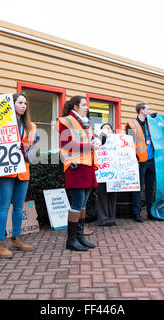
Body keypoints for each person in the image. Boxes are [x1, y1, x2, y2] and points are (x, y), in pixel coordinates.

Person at [0, 93, 39, 258]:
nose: (24, 106)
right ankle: (1, 244)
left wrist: (32, 150)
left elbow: (33, 151)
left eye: (25, 103)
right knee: (4, 206)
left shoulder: (31, 126)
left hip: (24, 170)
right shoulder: (1, 124)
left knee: (19, 207)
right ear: (11, 104)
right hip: (6, 170)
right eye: (20, 102)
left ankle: (16, 239)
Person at [57, 95, 99, 251]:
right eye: (83, 104)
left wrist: (95, 142)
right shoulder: (65, 121)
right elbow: (66, 145)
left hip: (87, 166)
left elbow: (87, 142)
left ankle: (80, 237)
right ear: (75, 107)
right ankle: (71, 240)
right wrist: (90, 146)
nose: (86, 107)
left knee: (83, 204)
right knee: (77, 203)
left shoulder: (86, 123)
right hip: (75, 167)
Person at [125, 102, 156, 222]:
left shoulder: (151, 124)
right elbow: (129, 144)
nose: (149, 111)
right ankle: (136, 213)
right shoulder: (131, 125)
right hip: (139, 161)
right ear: (141, 110)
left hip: (151, 160)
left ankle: (150, 212)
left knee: (150, 188)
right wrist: (135, 157)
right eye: (147, 109)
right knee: (138, 188)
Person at [97, 123, 117, 226]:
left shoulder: (116, 142)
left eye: (108, 129)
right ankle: (103, 219)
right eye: (103, 129)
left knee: (112, 196)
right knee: (102, 195)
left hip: (114, 173)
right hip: (102, 173)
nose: (106, 131)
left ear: (112, 131)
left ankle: (111, 218)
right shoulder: (97, 142)